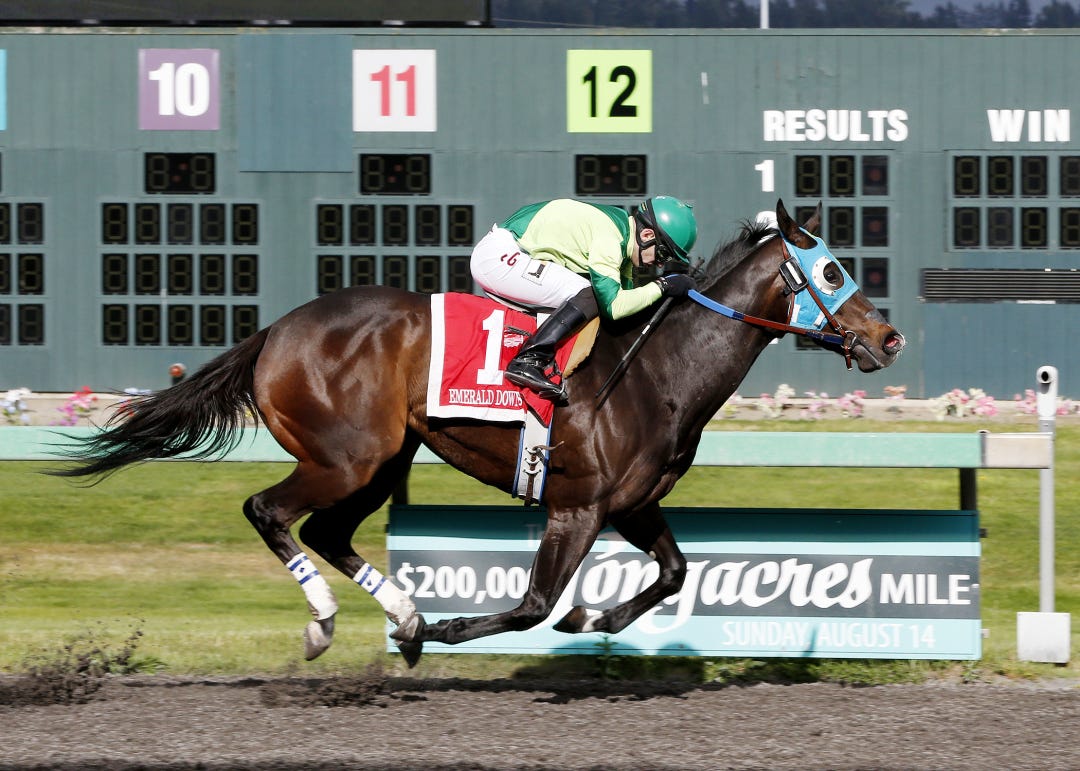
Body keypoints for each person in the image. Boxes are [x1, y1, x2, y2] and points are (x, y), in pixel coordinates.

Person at [470, 196, 699, 400]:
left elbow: (629, 309)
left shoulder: (624, 236)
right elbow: (615, 307)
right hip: (499, 257)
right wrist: (663, 285)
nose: (659, 264)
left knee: (588, 293)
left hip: (511, 251)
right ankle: (529, 359)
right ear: (647, 235)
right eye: (663, 254)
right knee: (587, 293)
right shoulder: (610, 238)